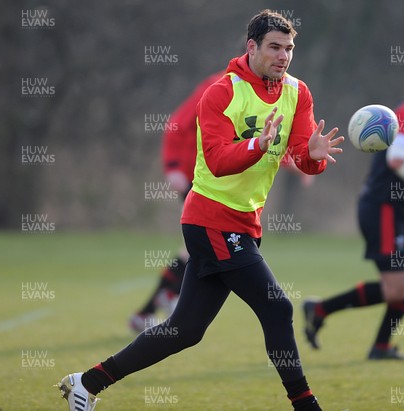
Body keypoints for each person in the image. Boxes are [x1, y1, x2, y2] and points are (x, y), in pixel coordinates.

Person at [57, 9, 343, 411]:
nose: (283, 56)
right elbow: (215, 159)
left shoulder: (298, 92)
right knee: (277, 306)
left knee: (184, 329)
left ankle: (87, 383)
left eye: (289, 48)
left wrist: (312, 157)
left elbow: (300, 151)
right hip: (210, 218)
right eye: (274, 47)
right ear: (252, 47)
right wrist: (257, 146)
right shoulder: (221, 92)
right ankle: (305, 404)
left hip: (245, 222)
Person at [302, 67, 404, 360]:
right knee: (397, 288)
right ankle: (320, 309)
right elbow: (397, 159)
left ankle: (380, 346)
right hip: (383, 208)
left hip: (401, 209)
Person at [129, 70, 224, 333]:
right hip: (198, 177)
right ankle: (158, 304)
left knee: (196, 247)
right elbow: (178, 122)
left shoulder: (264, 94)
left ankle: (156, 305)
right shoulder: (218, 85)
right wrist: (172, 165)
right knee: (201, 245)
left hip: (220, 182)